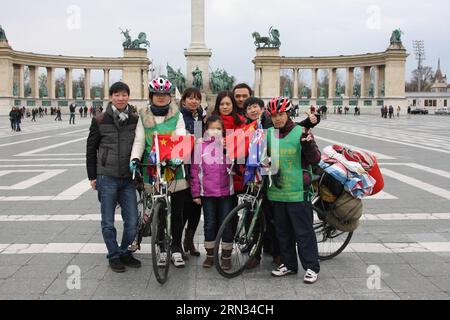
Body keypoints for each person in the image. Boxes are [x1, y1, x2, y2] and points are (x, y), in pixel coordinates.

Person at [130, 77, 188, 268]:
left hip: (173, 167)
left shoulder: (177, 114)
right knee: (160, 213)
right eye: (158, 94)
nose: (161, 98)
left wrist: (178, 154)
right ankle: (162, 248)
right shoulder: (143, 114)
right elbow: (139, 140)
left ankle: (177, 248)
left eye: (165, 94)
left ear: (170, 96)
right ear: (151, 96)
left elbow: (181, 135)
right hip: (152, 168)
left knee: (177, 212)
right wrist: (135, 159)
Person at [86, 82, 141, 273]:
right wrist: (92, 176)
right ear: (111, 97)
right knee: (108, 221)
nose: (120, 98)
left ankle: (125, 250)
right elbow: (91, 149)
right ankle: (113, 254)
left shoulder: (135, 119)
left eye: (124, 94)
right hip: (106, 176)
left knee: (132, 221)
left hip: (128, 178)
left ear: (128, 96)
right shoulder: (100, 119)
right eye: (117, 95)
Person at [266, 97, 321, 284]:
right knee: (282, 232)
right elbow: (264, 158)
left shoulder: (301, 131)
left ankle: (312, 267)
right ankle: (289, 265)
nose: (277, 118)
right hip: (277, 191)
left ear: (288, 113)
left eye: (280, 114)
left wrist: (308, 145)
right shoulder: (269, 134)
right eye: (273, 115)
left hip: (298, 191)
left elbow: (315, 159)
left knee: (303, 232)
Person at [190, 115, 235, 270]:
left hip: (226, 193)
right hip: (207, 193)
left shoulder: (228, 145)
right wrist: (195, 193)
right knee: (209, 224)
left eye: (218, 128)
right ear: (205, 130)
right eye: (211, 128)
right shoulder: (200, 147)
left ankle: (226, 256)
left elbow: (235, 168)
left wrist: (226, 150)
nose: (214, 131)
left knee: (226, 224)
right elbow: (195, 171)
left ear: (223, 130)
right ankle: (210, 255)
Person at [179, 87, 205, 258]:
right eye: (190, 98)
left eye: (197, 98)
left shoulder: (200, 118)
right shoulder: (179, 117)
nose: (194, 101)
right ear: (183, 100)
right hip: (183, 167)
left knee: (196, 207)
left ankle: (189, 239)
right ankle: (177, 242)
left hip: (198, 167)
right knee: (182, 207)